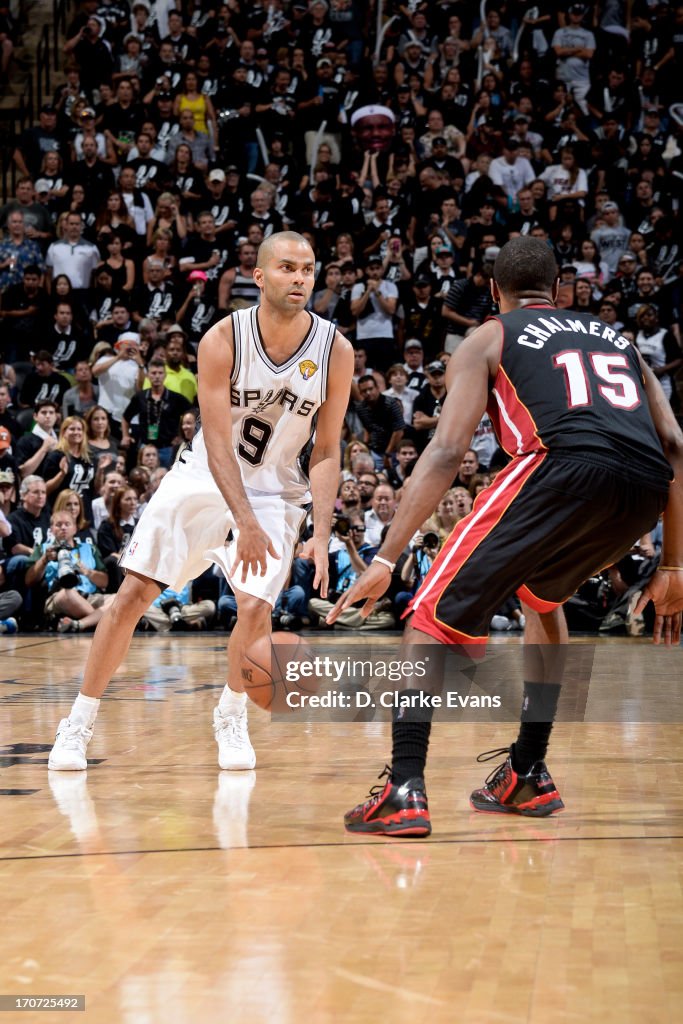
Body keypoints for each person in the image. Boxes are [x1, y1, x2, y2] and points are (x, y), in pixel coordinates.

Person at [329, 236, 683, 837]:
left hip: (558, 467)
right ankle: (527, 771)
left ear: (494, 291)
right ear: (561, 289)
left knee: (429, 615)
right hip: (641, 488)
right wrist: (673, 565)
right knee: (542, 600)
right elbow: (674, 443)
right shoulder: (620, 340)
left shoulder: (490, 336)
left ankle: (404, 786)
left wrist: (387, 556)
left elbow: (445, 452)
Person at [48, 231, 353, 773]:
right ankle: (79, 721)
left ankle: (231, 712)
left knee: (257, 607)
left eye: (307, 269)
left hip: (278, 489)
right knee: (133, 595)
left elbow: (327, 448)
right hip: (206, 478)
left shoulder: (336, 350)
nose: (300, 278)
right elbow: (215, 442)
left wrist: (322, 532)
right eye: (287, 268)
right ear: (258, 277)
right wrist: (243, 520)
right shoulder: (223, 338)